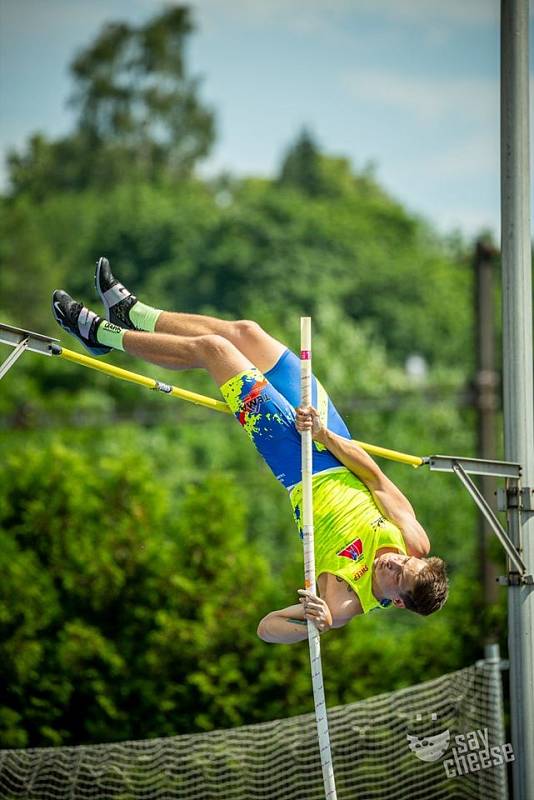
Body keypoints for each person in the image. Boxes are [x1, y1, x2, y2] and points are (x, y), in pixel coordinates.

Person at [52, 257, 449, 644]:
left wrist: (314, 624)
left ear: (396, 601)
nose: (394, 562)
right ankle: (131, 312)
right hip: (332, 441)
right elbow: (374, 477)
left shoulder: (343, 603)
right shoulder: (414, 542)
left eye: (398, 575)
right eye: (405, 563)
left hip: (297, 464)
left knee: (213, 350)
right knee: (245, 333)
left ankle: (99, 335)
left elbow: (267, 627)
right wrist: (326, 435)